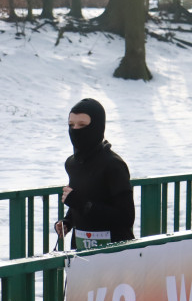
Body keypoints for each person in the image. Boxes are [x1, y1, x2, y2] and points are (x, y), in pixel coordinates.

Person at [53, 98, 135, 249]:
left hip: (115, 251)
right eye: (71, 125)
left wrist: (82, 204)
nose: (75, 130)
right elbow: (84, 199)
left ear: (97, 127)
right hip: (80, 250)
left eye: (82, 125)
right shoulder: (72, 164)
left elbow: (126, 218)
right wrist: (68, 222)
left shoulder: (113, 164)